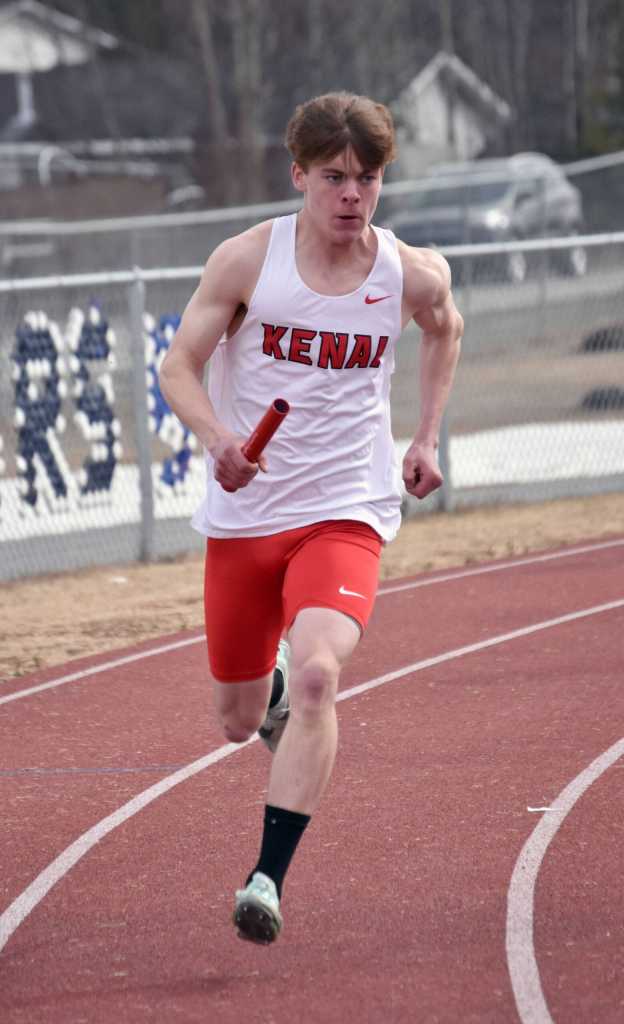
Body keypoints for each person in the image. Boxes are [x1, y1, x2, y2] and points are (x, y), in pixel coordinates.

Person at [159, 91, 463, 945]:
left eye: (367, 180)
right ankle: (274, 696)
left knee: (325, 670)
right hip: (247, 514)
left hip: (346, 509)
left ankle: (267, 878)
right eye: (333, 178)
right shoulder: (248, 263)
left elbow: (447, 328)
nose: (351, 197)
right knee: (234, 717)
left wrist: (428, 436)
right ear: (298, 174)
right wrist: (217, 439)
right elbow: (178, 367)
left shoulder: (407, 272)